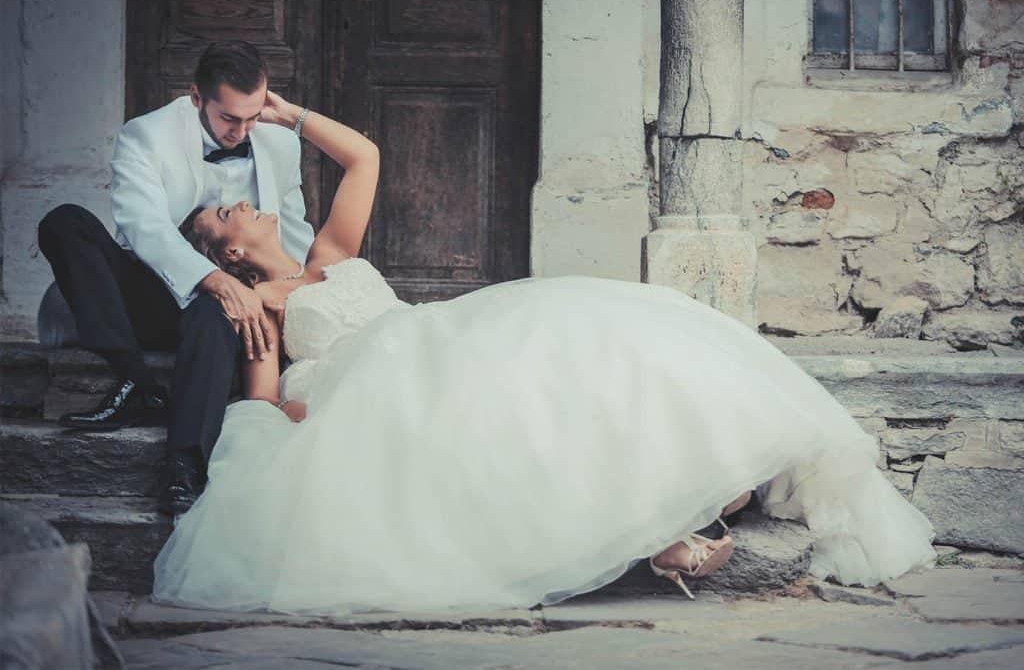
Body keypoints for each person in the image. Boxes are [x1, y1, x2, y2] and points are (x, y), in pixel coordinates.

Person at [153, 91, 936, 613]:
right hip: (377, 382)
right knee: (496, 417)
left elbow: (364, 156)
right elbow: (263, 407)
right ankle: (659, 530)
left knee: (582, 325)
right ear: (227, 257)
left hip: (434, 335)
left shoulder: (328, 251)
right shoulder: (260, 303)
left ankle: (692, 482)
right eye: (229, 211)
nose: (247, 201)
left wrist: (284, 113)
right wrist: (319, 408)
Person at [37, 41, 314, 516]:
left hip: (232, 308)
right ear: (195, 96)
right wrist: (211, 276)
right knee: (65, 222)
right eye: (230, 119)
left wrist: (281, 302)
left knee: (217, 310)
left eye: (252, 117)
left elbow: (294, 231)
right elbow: (143, 228)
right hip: (155, 287)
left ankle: (184, 466)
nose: (243, 130)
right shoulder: (145, 135)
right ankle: (133, 378)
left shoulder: (281, 143)